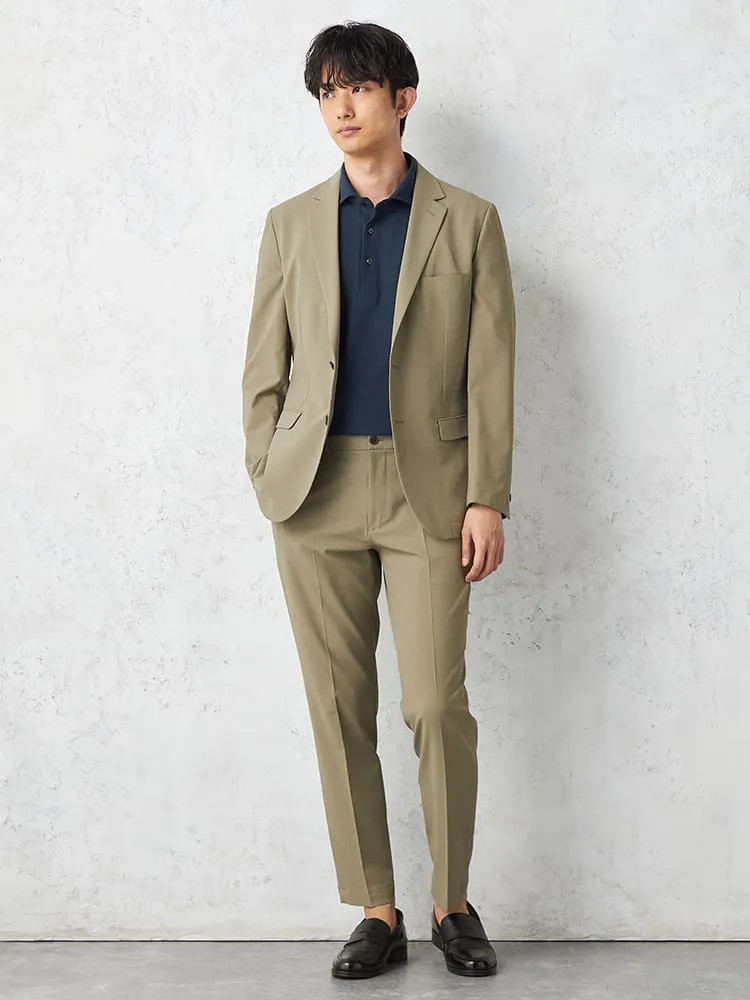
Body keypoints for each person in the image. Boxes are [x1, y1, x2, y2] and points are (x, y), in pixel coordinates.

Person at [241, 20, 515, 980]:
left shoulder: (467, 220)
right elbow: (263, 369)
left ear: (403, 98)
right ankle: (377, 909)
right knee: (337, 705)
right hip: (312, 493)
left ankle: (452, 904)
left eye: (357, 87)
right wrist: (267, 468)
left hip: (427, 490)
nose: (341, 107)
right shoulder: (289, 224)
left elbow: (492, 370)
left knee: (435, 703)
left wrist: (487, 497)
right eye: (327, 91)